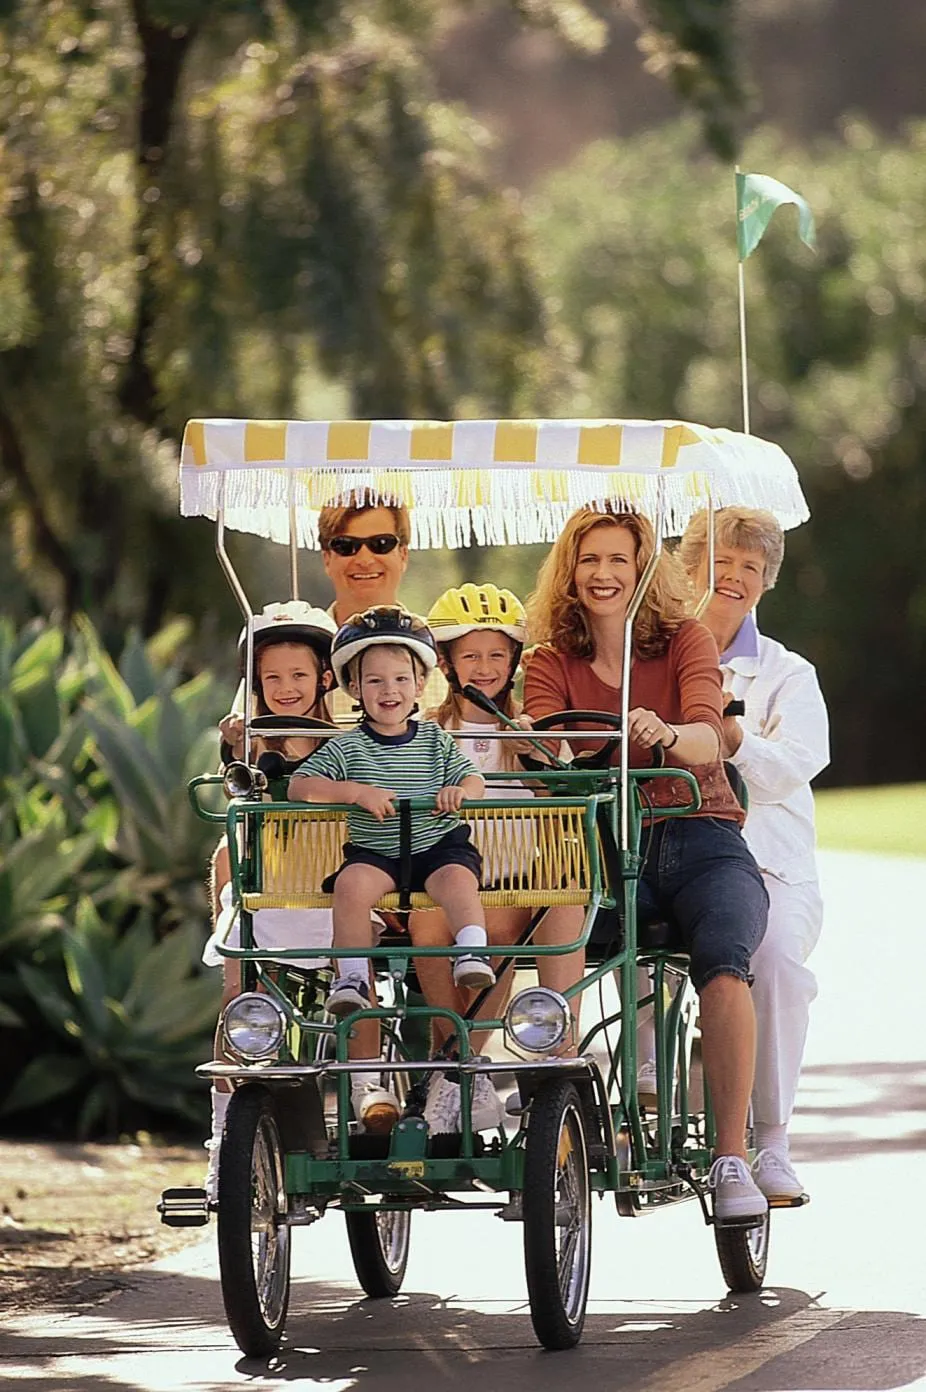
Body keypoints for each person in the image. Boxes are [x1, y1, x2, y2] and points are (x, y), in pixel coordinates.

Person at [523, 505, 771, 1223]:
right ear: (570, 571)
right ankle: (553, 1078)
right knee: (539, 910)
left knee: (725, 960)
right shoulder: (548, 661)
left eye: (618, 561)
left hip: (698, 832)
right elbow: (544, 751)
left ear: (642, 570)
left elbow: (708, 736)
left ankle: (731, 1155)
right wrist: (550, 754)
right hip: (600, 841)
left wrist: (668, 732)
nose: (603, 574)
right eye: (589, 560)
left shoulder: (685, 640)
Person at [203, 603, 398, 1200]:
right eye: (271, 679)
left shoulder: (344, 743)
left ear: (322, 680)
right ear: (256, 686)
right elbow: (235, 835)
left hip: (331, 885)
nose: (285, 690)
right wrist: (233, 746)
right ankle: (221, 1134)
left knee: (354, 965)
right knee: (238, 990)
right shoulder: (251, 749)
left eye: (297, 676)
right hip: (272, 890)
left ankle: (365, 1079)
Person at [678, 507, 829, 1201]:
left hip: (769, 865)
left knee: (770, 960)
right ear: (687, 568)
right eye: (719, 561)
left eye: (750, 567)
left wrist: (732, 739)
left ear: (765, 582)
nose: (733, 577)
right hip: (679, 852)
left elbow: (795, 764)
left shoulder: (788, 673)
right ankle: (645, 1094)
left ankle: (769, 1141)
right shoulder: (654, 658)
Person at [288, 606, 496, 1062]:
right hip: (377, 851)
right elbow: (299, 785)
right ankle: (352, 978)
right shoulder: (347, 745)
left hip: (434, 845)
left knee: (459, 880)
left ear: (419, 686)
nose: (390, 691)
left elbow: (473, 780)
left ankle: (471, 953)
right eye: (376, 681)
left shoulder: (435, 740)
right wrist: (353, 792)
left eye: (401, 680)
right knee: (350, 884)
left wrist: (459, 791)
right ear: (355, 688)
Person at [406, 584, 537, 1132]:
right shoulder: (430, 732)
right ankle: (462, 1070)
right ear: (447, 663)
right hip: (444, 872)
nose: (484, 668)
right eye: (471, 656)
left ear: (513, 662)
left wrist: (538, 758)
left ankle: (453, 1072)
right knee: (427, 923)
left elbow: (565, 795)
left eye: (496, 655)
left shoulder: (527, 730)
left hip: (514, 874)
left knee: (499, 927)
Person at [317, 492, 446, 721]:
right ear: (327, 558)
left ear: (403, 555)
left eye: (381, 544)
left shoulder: (444, 648)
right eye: (346, 546)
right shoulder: (291, 646)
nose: (365, 560)